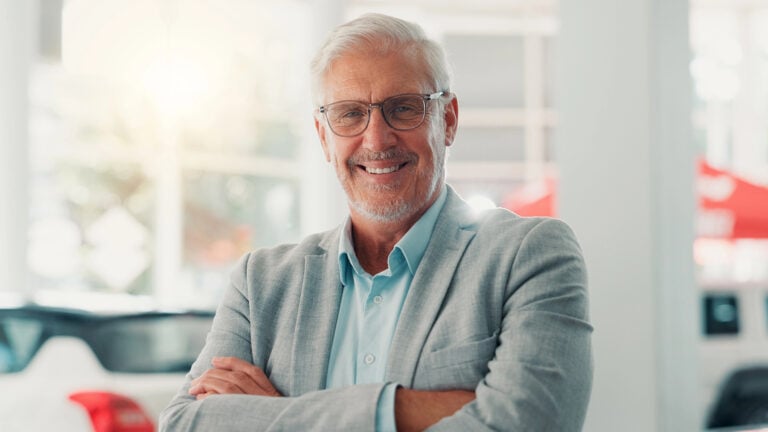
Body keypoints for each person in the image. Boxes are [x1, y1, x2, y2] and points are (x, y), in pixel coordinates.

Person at [160, 12, 592, 432]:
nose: (377, 139)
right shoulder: (261, 283)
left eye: (403, 108)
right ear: (323, 137)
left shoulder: (529, 255)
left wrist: (277, 415)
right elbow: (183, 424)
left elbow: (532, 422)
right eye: (349, 114)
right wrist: (405, 410)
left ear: (449, 119)